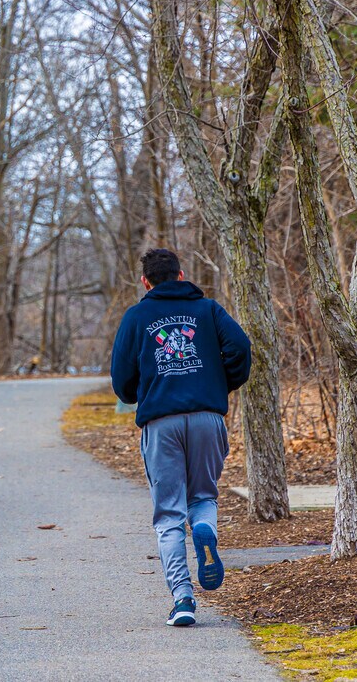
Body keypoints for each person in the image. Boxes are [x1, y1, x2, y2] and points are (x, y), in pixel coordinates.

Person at [110, 248, 251, 627]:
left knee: (169, 512)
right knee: (203, 496)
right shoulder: (208, 310)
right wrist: (220, 383)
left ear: (146, 281)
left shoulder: (137, 317)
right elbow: (241, 347)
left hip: (161, 423)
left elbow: (121, 378)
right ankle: (204, 527)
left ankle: (183, 599)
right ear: (181, 274)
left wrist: (140, 392)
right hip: (207, 417)